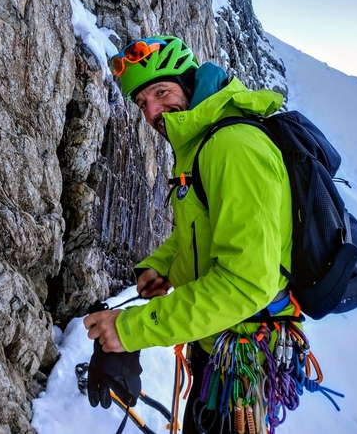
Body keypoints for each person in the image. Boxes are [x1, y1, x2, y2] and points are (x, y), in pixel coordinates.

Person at [83, 35, 297, 433]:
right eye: (142, 103)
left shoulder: (234, 148)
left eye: (161, 92)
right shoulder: (201, 145)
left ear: (188, 80)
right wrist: (163, 268)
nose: (153, 112)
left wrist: (130, 330)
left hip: (242, 352)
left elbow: (246, 283)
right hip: (220, 343)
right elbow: (203, 233)